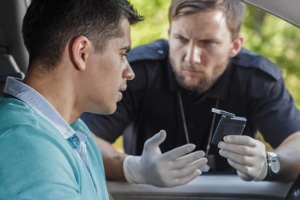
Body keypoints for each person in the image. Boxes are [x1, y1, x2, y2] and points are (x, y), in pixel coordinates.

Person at [81, 0, 300, 186]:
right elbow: (84, 138)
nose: (192, 57)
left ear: (235, 45)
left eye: (208, 42)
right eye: (181, 39)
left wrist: (269, 162)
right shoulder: (138, 72)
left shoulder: (256, 79)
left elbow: (297, 143)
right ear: (169, 35)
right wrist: (131, 168)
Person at [0, 0, 144, 199]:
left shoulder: (73, 130)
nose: (129, 73)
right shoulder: (28, 148)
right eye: (122, 54)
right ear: (81, 53)